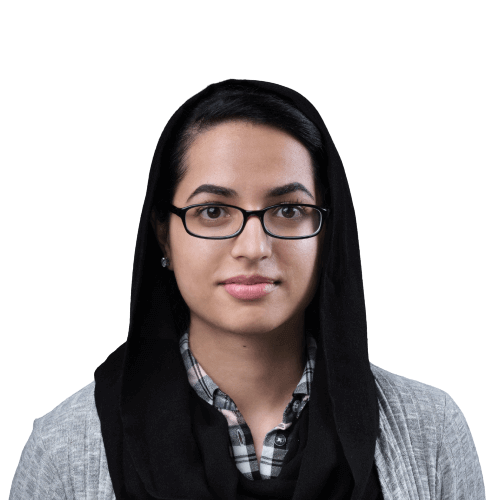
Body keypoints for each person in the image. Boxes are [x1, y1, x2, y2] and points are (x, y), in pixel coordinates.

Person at [9, 79, 486, 499]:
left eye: (289, 210)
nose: (253, 247)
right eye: (213, 211)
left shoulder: (432, 431)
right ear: (164, 236)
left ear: (328, 234)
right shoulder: (65, 449)